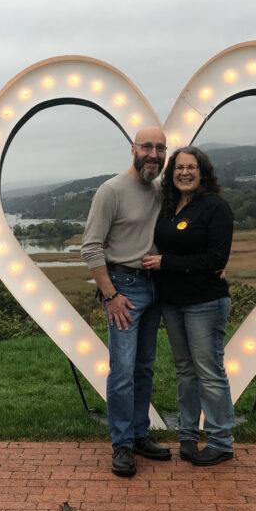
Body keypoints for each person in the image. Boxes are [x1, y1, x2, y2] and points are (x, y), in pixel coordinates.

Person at [81, 125, 172, 477]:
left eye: (160, 148)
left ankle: (138, 435)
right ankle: (121, 444)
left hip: (155, 287)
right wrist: (111, 294)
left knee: (144, 366)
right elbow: (91, 247)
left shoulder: (161, 191)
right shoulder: (111, 190)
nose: (153, 154)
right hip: (124, 288)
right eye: (147, 146)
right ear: (133, 148)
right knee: (122, 369)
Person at [142, 146, 235, 466]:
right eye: (179, 167)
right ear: (172, 173)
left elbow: (216, 259)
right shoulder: (168, 207)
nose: (184, 172)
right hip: (173, 302)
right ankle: (188, 435)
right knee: (185, 371)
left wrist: (167, 262)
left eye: (191, 167)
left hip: (205, 302)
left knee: (209, 371)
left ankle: (221, 440)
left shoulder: (215, 207)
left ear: (203, 172)